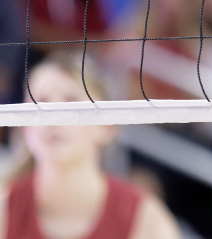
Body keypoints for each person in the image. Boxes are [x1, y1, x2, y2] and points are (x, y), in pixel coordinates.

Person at [0, 53, 180, 239]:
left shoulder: (146, 220)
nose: (54, 118)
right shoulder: (3, 210)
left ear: (106, 126)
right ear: (23, 127)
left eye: (71, 102)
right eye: (41, 103)